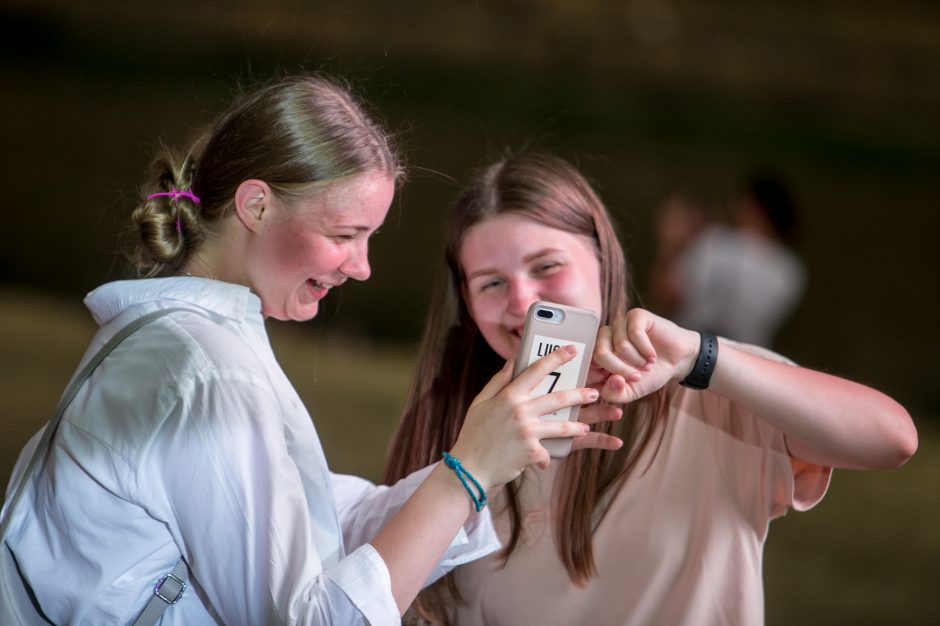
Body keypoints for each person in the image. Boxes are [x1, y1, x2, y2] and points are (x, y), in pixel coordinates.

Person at [0, 77, 608, 625]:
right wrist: (467, 473)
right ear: (256, 205)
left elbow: (315, 515)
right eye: (344, 235)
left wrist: (491, 458)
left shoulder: (176, 336)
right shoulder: (208, 373)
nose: (363, 267)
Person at [383, 152, 917, 625]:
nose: (523, 301)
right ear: (467, 302)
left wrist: (701, 357)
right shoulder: (458, 431)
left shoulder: (709, 399)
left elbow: (893, 439)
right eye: (492, 283)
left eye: (546, 266)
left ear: (603, 259)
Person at [669, 173, 807, 347]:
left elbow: (671, 297)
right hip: (750, 356)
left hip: (694, 348)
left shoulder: (716, 240)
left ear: (753, 207)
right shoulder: (791, 269)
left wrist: (672, 244)